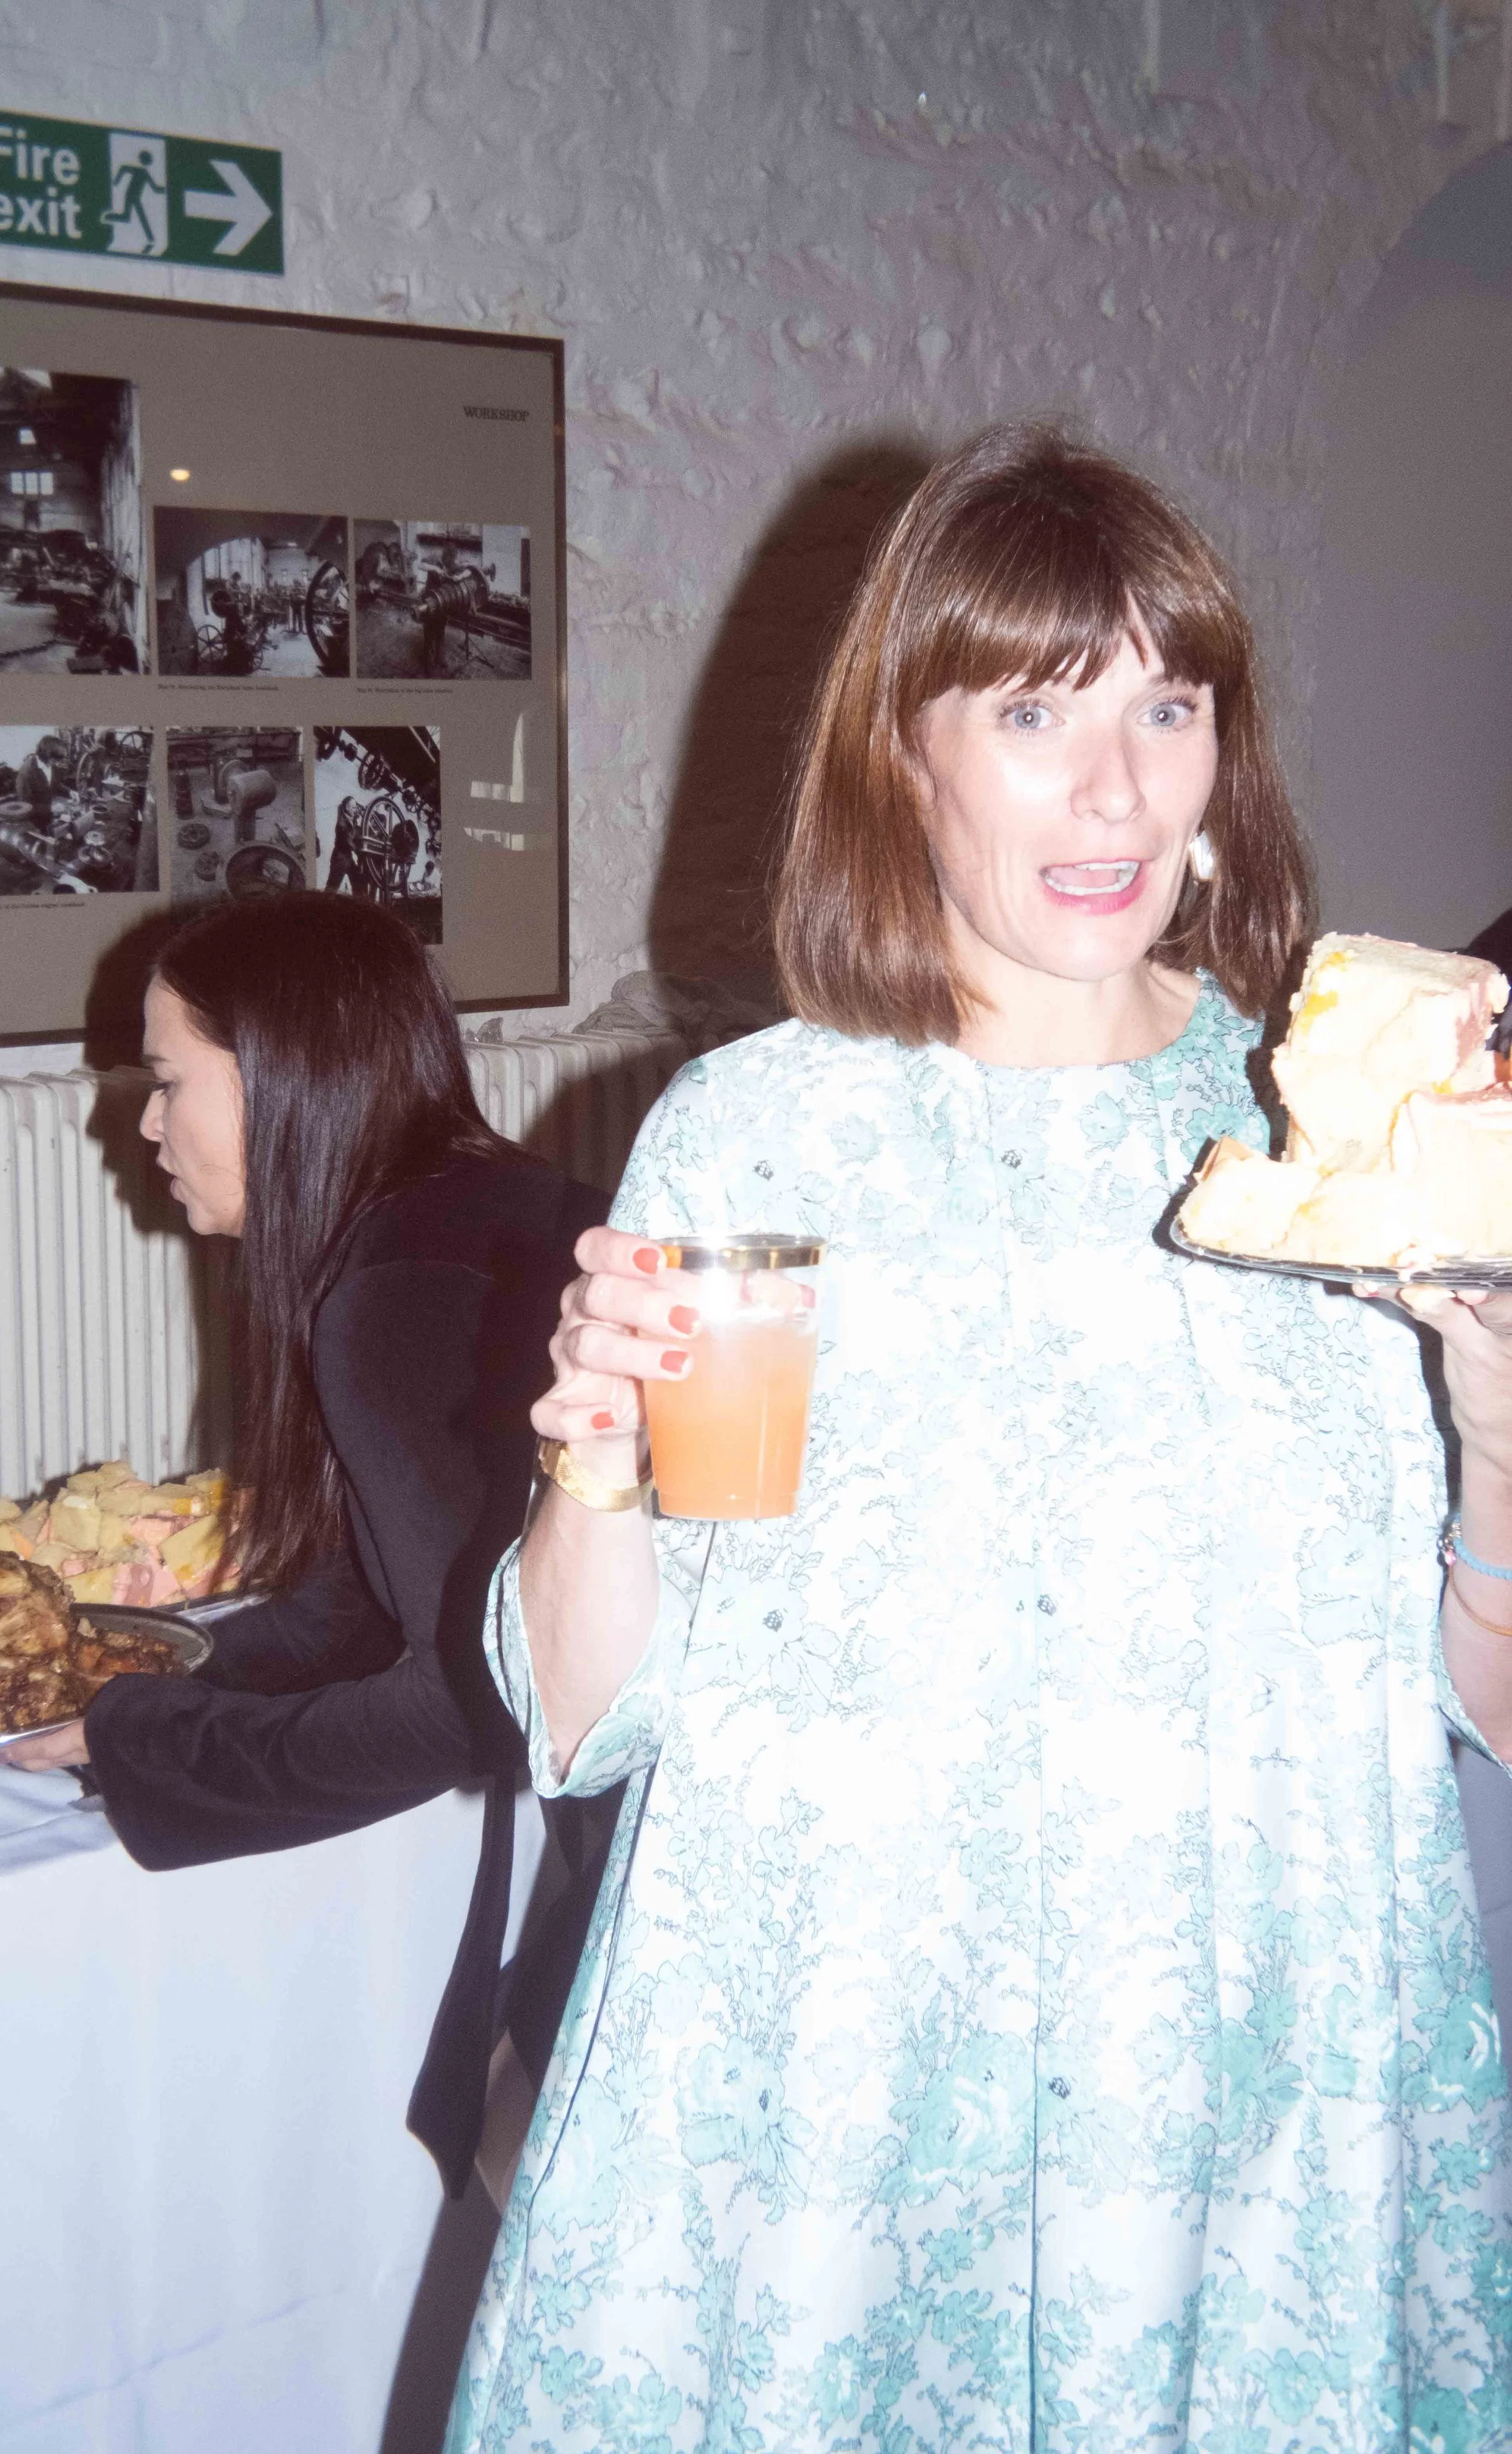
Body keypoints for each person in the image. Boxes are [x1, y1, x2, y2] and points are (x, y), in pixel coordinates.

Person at [447, 425, 1512, 2447]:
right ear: (901, 755)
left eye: (1165, 704)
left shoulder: (1339, 1130)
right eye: (1032, 709)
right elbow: (582, 1724)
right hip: (853, 2085)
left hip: (1252, 2072)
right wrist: (591, 1458)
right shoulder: (756, 1133)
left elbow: (1485, 1712)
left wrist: (1493, 1405)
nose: (1115, 786)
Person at [8, 894, 615, 2196]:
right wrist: (175, 1676)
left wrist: (156, 1747)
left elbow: (473, 1695)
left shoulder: (388, 1299)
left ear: (283, 1075)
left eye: (170, 1082)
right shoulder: (495, 1207)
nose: (144, 1124)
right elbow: (405, 1589)